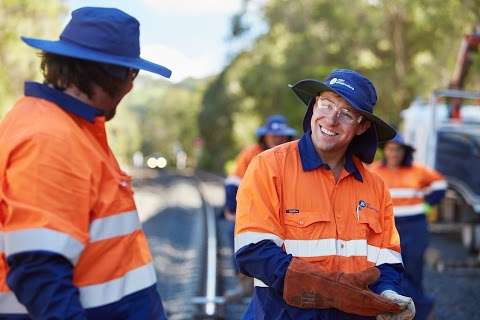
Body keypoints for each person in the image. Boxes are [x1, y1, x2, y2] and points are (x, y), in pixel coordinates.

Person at [0, 7, 171, 319]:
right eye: (130, 74)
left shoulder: (71, 128)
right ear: (111, 74)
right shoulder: (51, 138)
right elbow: (39, 269)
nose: (131, 87)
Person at [234, 69, 416, 319]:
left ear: (361, 126)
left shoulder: (375, 186)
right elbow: (253, 252)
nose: (331, 120)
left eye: (346, 113)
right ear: (313, 106)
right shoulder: (269, 166)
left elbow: (387, 258)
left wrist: (388, 292)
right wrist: (328, 287)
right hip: (281, 314)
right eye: (326, 104)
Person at [370, 134, 447, 320]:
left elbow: (441, 184)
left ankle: (420, 311)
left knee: (413, 268)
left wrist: (427, 205)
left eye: (397, 149)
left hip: (415, 226)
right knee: (392, 268)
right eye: (390, 148)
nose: (393, 153)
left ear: (404, 152)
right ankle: (414, 308)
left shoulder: (417, 170)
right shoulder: (373, 171)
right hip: (388, 227)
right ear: (384, 151)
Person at [224, 114, 296, 302]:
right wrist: (232, 209)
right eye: (273, 135)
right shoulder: (251, 153)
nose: (276, 139)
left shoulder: (293, 155)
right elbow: (233, 181)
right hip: (253, 209)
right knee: (236, 235)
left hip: (284, 210)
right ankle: (245, 283)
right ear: (264, 136)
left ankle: (283, 282)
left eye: (280, 136)